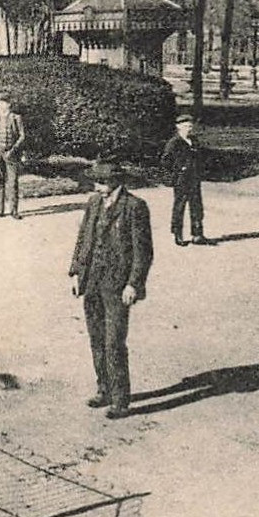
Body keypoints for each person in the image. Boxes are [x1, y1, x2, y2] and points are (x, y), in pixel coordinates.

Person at [68, 159, 153, 420]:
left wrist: (134, 284)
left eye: (101, 181)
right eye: (96, 181)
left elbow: (143, 251)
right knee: (96, 338)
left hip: (117, 287)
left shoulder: (134, 207)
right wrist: (75, 272)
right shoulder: (93, 203)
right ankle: (103, 388)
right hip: (91, 281)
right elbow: (83, 239)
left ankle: (120, 400)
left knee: (114, 341)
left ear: (115, 182)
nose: (97, 185)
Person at [160, 113, 208, 246]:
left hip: (194, 178)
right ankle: (178, 234)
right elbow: (165, 160)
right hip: (181, 180)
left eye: (191, 126)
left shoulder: (194, 141)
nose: (189, 129)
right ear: (179, 127)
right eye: (186, 126)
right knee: (179, 207)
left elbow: (201, 157)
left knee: (197, 206)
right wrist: (177, 171)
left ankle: (197, 234)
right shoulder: (174, 143)